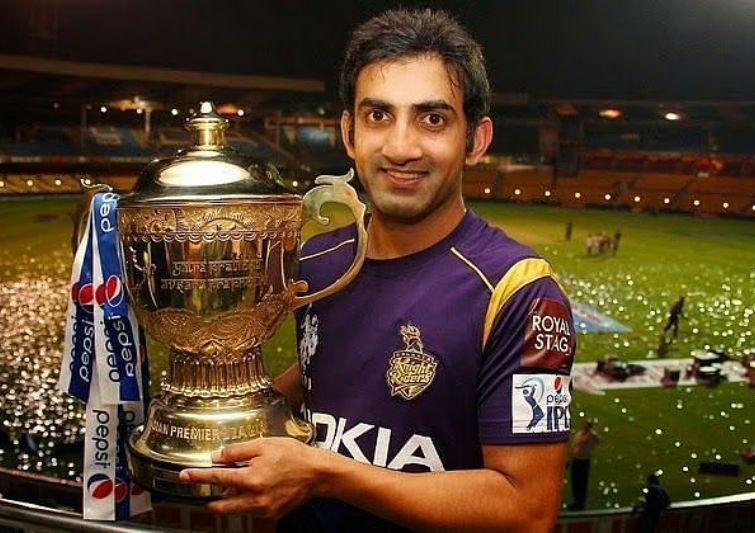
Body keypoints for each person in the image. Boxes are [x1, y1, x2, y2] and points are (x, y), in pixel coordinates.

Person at [180, 8, 576, 531]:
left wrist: (327, 474)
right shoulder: (318, 263)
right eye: (378, 116)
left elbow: (527, 510)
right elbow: (329, 370)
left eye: (432, 119)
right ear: (349, 132)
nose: (401, 148)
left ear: (476, 140)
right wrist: (219, 409)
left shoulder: (522, 295)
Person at [568, 420, 600, 510]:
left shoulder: (591, 435)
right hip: (576, 460)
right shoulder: (579, 434)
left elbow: (598, 441)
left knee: (582, 483)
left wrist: (593, 435)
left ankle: (580, 503)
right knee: (575, 482)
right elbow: (574, 446)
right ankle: (576, 502)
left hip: (583, 461)